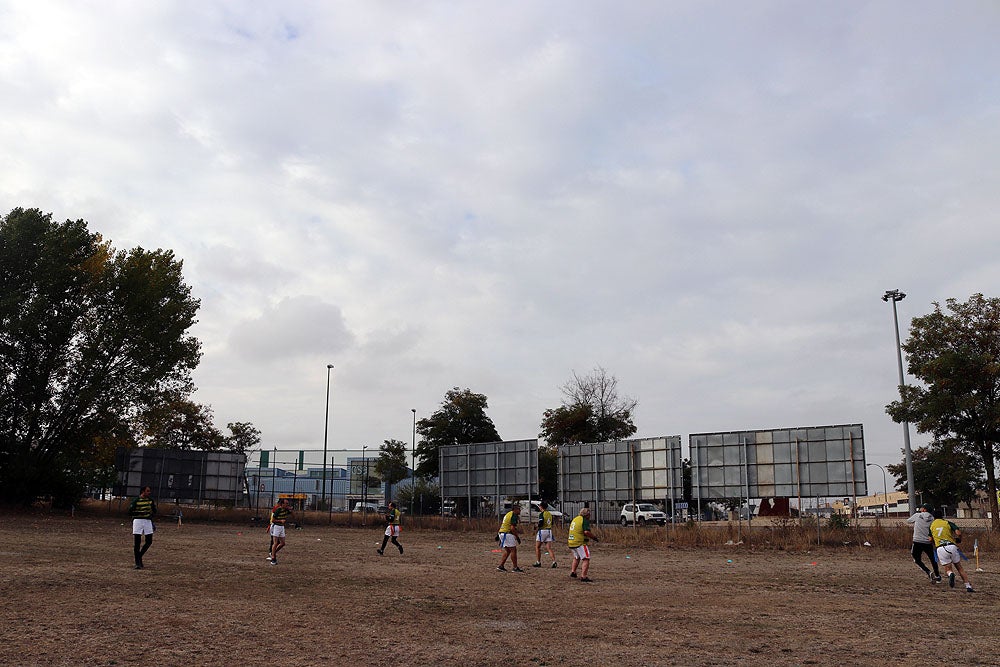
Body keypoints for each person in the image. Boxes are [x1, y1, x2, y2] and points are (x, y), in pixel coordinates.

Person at [930, 511, 974, 592]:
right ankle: (968, 586)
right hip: (952, 546)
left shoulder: (932, 525)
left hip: (941, 548)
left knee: (947, 568)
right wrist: (959, 539)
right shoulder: (947, 523)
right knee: (959, 567)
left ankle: (950, 574)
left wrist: (934, 543)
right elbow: (958, 532)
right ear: (942, 516)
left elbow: (929, 539)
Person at [906, 501, 940, 583]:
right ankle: (937, 575)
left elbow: (908, 521)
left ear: (924, 510)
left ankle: (928, 571)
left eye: (922, 508)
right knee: (932, 559)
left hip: (917, 540)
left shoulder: (917, 515)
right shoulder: (932, 518)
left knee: (916, 559)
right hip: (927, 541)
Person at [568, 507, 599, 582]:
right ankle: (584, 576)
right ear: (587, 515)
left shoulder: (576, 519)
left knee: (576, 557)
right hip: (580, 542)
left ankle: (573, 572)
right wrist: (594, 537)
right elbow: (586, 532)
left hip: (571, 541)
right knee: (586, 558)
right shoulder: (584, 520)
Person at [129, 486, 157, 569]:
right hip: (138, 521)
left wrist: (151, 514)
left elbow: (154, 510)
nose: (149, 492)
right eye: (147, 491)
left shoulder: (150, 500)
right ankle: (137, 563)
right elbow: (130, 511)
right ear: (143, 492)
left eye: (149, 491)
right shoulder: (136, 500)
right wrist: (140, 513)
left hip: (147, 521)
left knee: (149, 541)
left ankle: (139, 556)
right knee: (137, 542)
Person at [496, 503, 523, 572]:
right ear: (515, 510)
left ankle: (501, 566)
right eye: (519, 509)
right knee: (513, 550)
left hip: (502, 533)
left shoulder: (508, 514)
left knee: (508, 550)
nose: (520, 511)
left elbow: (505, 524)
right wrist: (517, 537)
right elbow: (512, 528)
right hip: (507, 534)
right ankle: (515, 567)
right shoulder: (514, 515)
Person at [267, 498, 293, 566]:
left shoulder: (285, 510)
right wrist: (280, 521)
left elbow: (292, 514)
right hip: (276, 527)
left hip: (282, 527)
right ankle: (273, 559)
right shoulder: (278, 510)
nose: (287, 504)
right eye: (286, 503)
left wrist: (290, 510)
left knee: (283, 543)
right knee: (275, 543)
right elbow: (273, 520)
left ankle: (273, 553)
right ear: (282, 504)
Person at [533, 500, 557, 568]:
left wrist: (536, 526)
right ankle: (554, 561)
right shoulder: (549, 514)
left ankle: (538, 562)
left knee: (537, 547)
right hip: (549, 531)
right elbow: (552, 523)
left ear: (541, 507)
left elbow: (541, 523)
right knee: (549, 548)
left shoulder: (542, 514)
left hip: (542, 531)